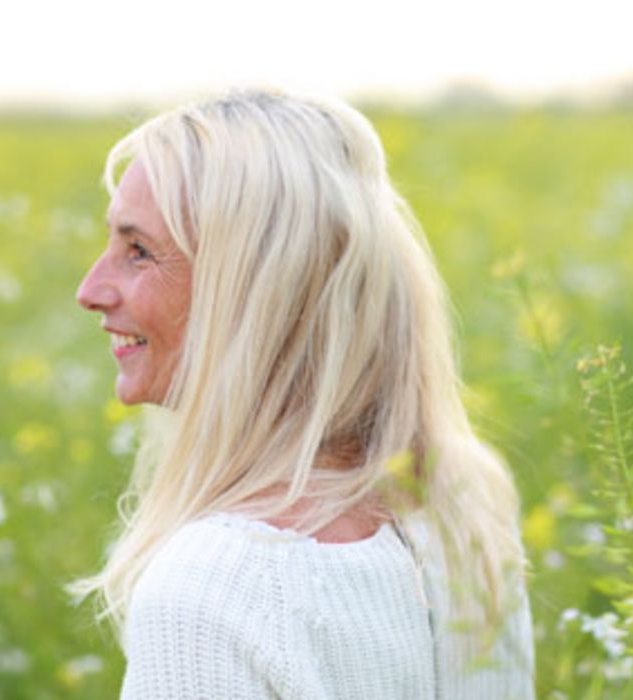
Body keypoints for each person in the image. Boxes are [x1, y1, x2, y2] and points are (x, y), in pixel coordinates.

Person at [69, 88, 534, 698]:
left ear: (252, 293)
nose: (91, 288)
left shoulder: (210, 589)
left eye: (139, 251)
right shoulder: (463, 515)